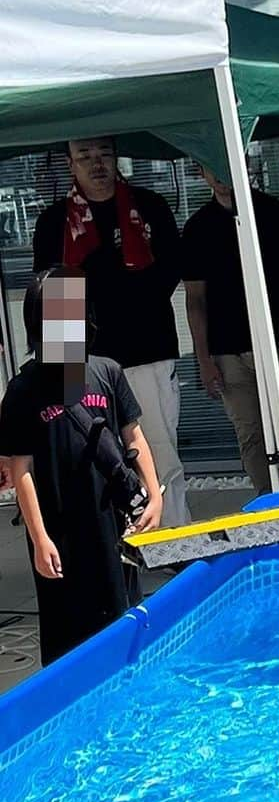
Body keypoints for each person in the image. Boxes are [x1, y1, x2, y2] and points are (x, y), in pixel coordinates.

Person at [0, 268, 162, 666]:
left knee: (121, 616)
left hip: (111, 522)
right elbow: (20, 469)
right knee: (65, 634)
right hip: (59, 527)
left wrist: (154, 496)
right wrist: (39, 539)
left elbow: (135, 437)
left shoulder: (106, 372)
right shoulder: (22, 391)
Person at [32, 136, 189, 525]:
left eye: (104, 154)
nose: (96, 163)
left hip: (146, 347)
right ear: (70, 164)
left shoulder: (149, 207)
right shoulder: (53, 223)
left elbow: (170, 272)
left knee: (160, 450)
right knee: (91, 455)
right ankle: (116, 543)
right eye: (84, 156)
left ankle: (173, 539)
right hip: (79, 360)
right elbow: (49, 292)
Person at [182, 164, 279, 495]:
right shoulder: (197, 228)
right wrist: (204, 361)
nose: (222, 174)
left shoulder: (277, 216)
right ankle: (270, 515)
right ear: (203, 172)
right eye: (212, 166)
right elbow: (195, 301)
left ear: (245, 164)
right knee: (250, 436)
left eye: (228, 163)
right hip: (226, 350)